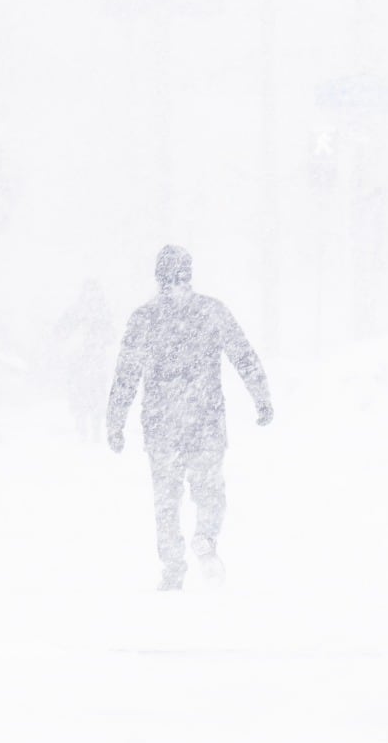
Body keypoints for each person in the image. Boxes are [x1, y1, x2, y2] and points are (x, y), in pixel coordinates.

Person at [107, 245, 273, 591]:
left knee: (166, 500)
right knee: (210, 490)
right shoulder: (212, 312)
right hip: (206, 420)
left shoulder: (144, 319)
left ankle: (172, 565)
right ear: (189, 274)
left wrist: (116, 420)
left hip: (161, 424)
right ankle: (206, 536)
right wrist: (261, 397)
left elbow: (126, 374)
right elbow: (243, 355)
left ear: (157, 277)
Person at [53, 279, 113, 446]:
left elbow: (59, 331)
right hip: (85, 361)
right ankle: (87, 430)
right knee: (88, 395)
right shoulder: (94, 311)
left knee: (87, 395)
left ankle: (89, 430)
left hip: (89, 361)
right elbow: (60, 330)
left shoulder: (91, 311)